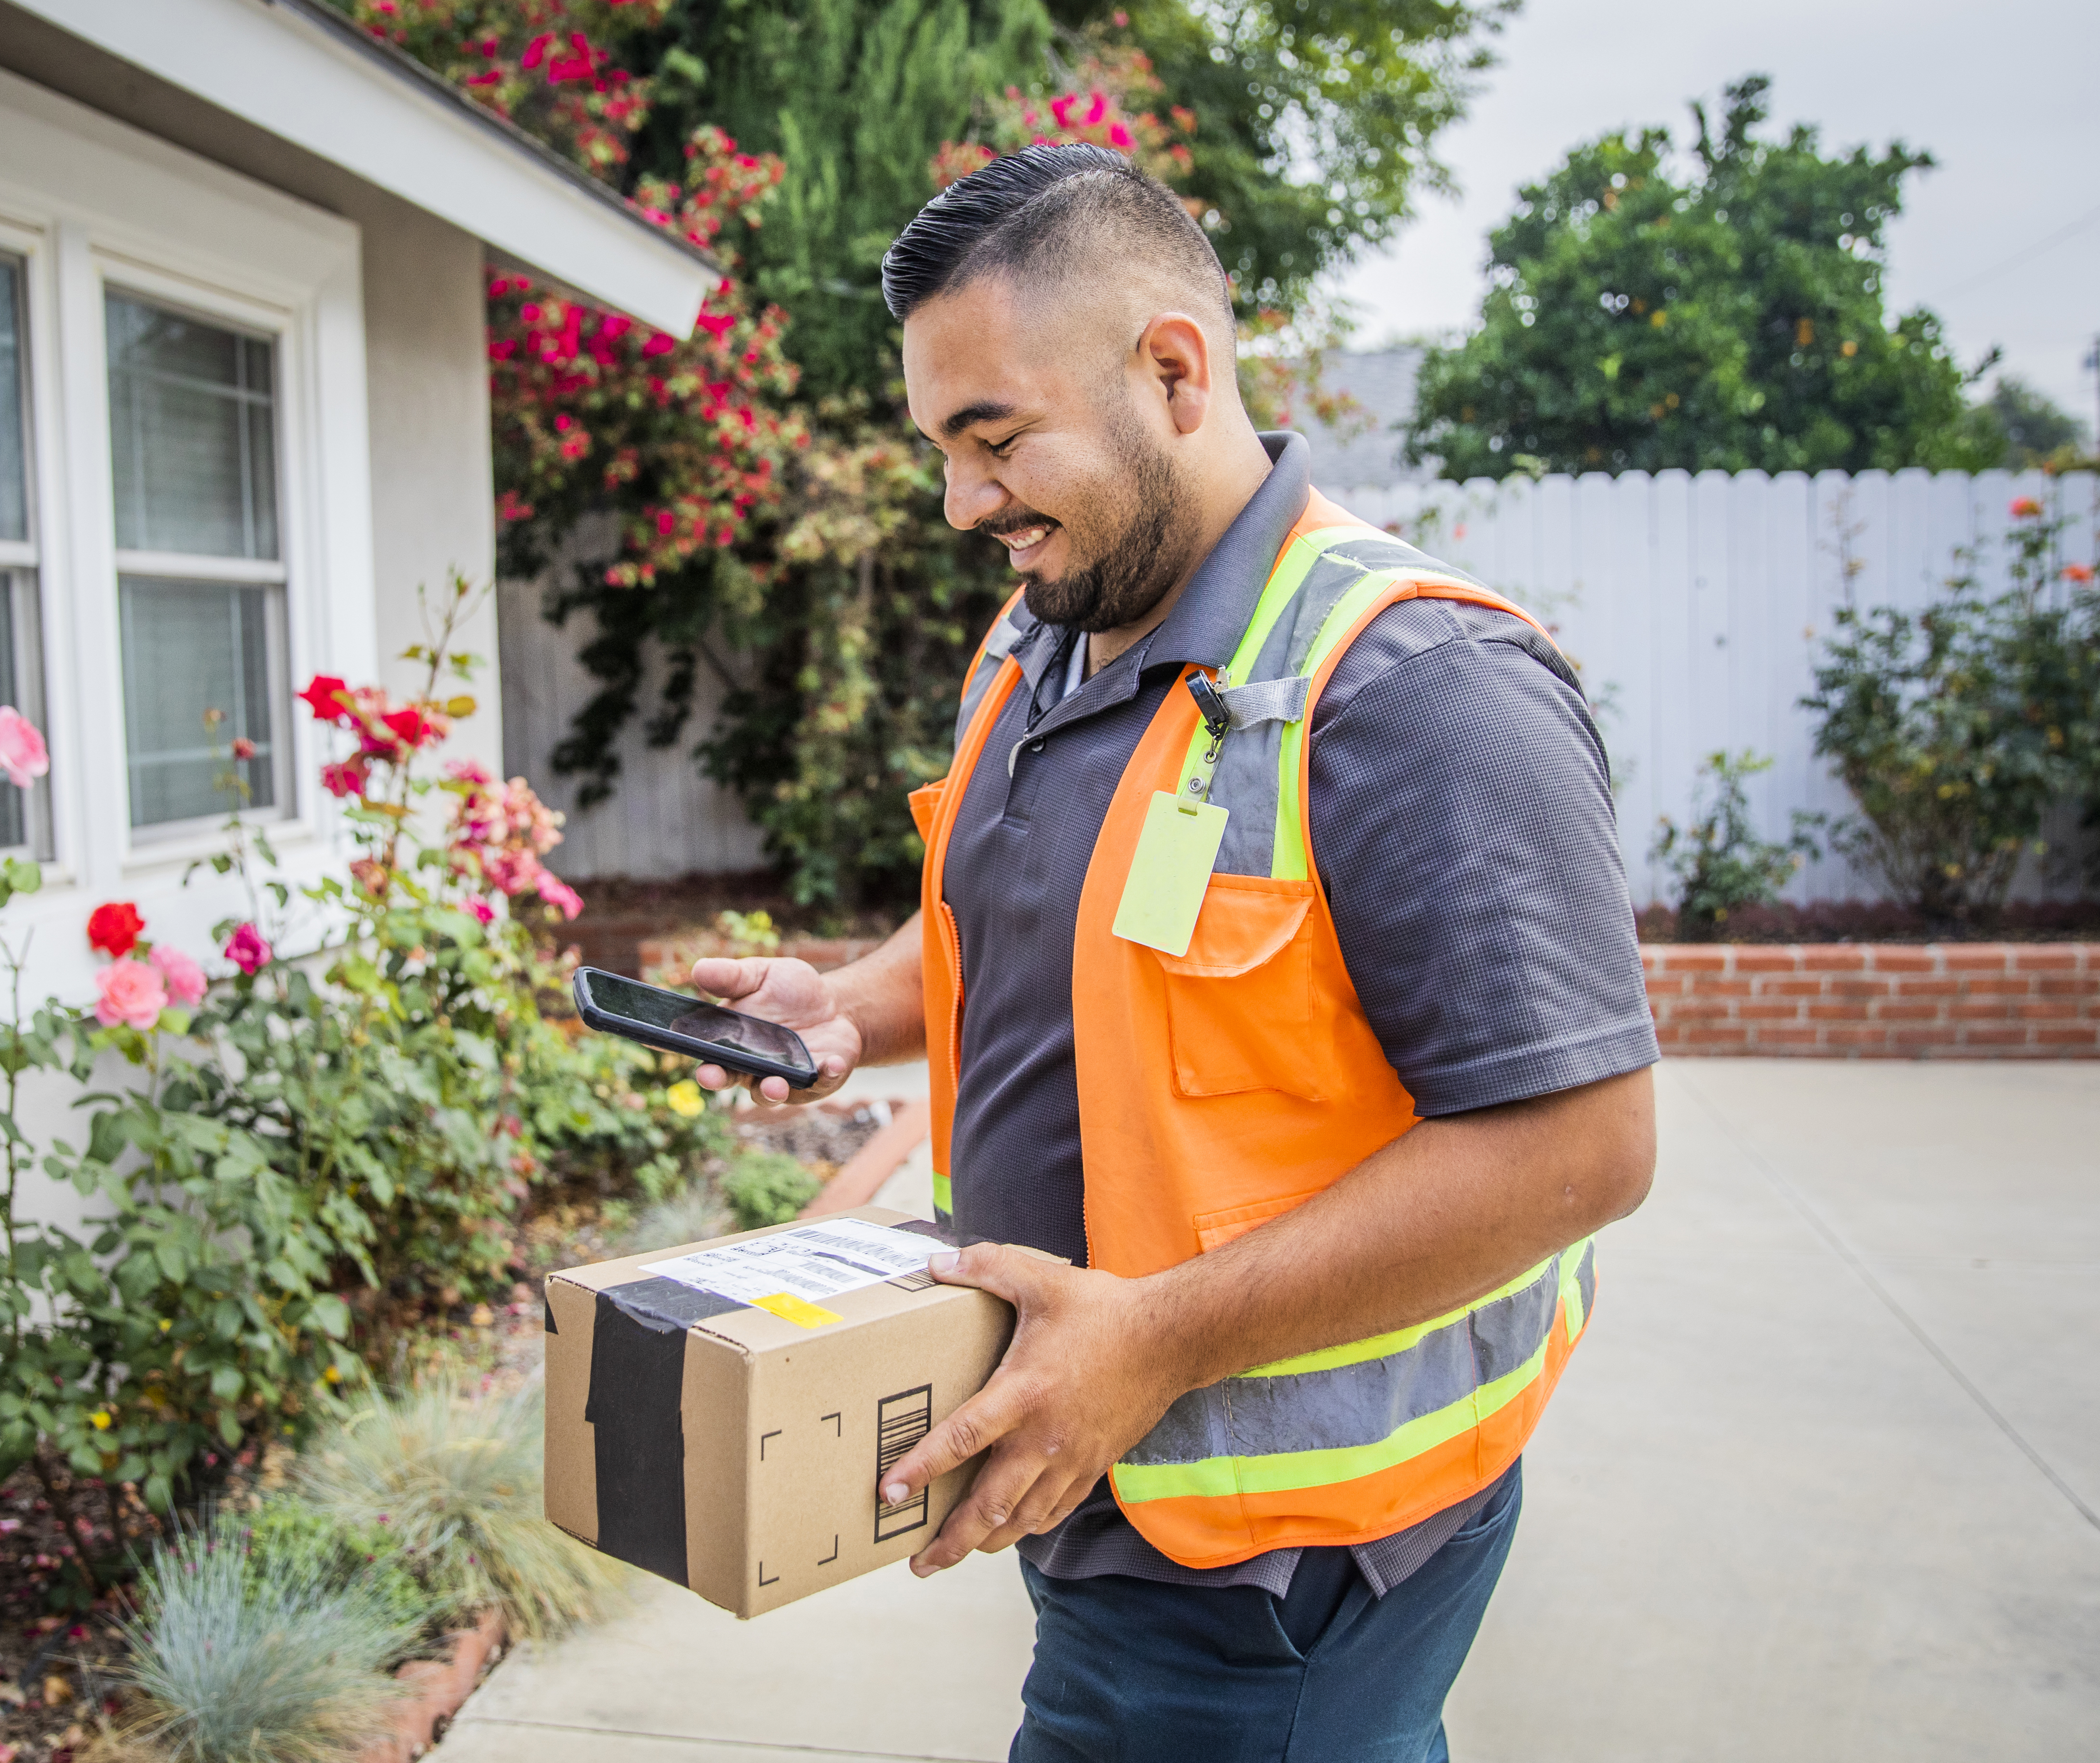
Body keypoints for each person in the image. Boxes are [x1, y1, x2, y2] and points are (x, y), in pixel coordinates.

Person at [687, 143, 1659, 1763]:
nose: (960, 503)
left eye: (993, 441)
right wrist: (856, 1004)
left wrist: (1151, 1341)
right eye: (941, 448)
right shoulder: (1049, 626)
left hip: (1282, 1567)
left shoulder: (1417, 687)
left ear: (1172, 371)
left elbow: (1581, 1148)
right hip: (1109, 1491)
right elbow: (1068, 926)